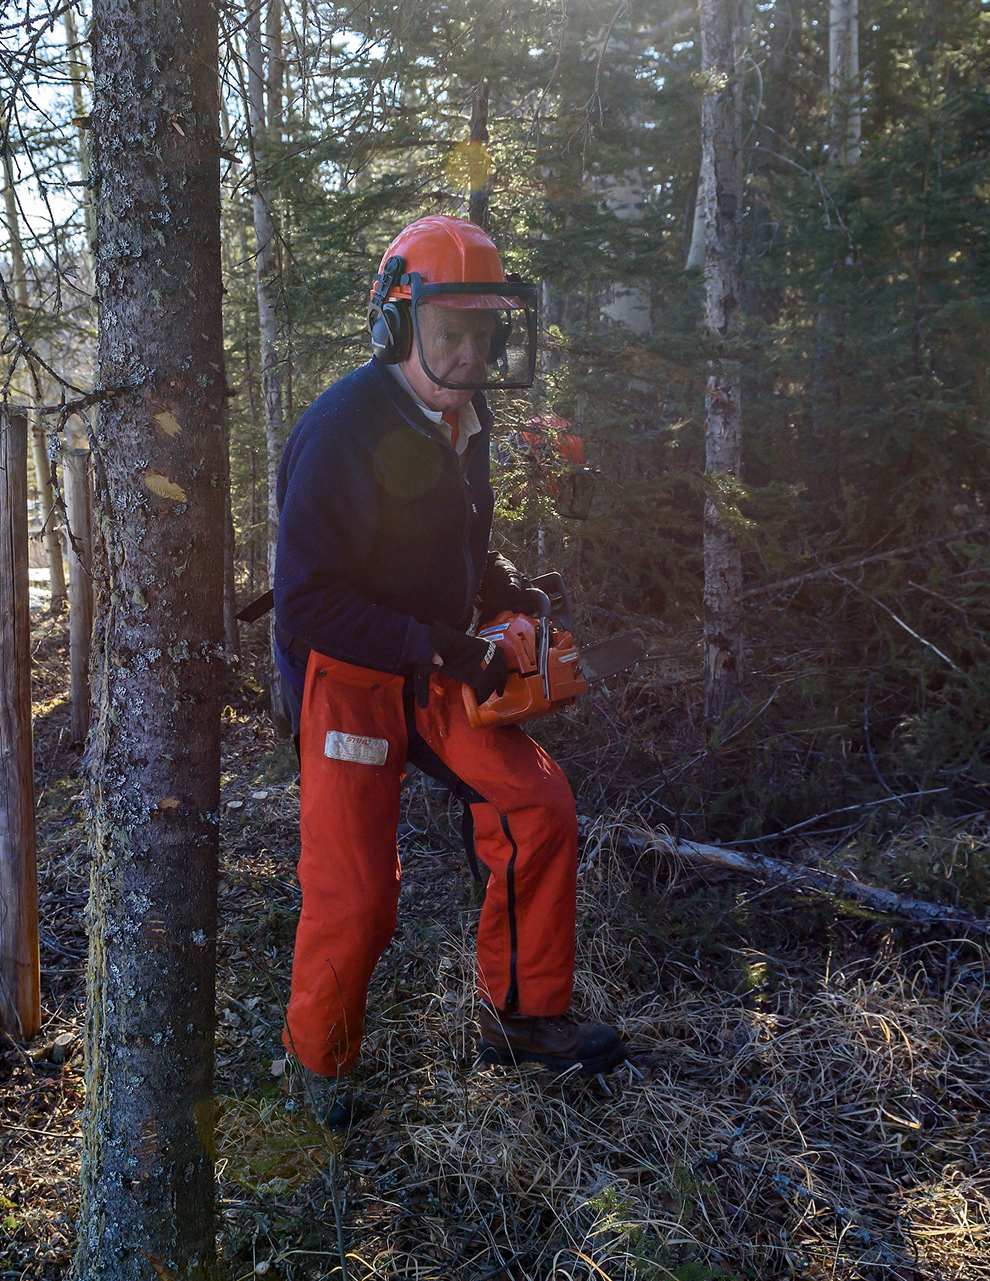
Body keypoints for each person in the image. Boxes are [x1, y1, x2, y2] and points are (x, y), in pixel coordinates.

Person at [271, 215, 623, 1118]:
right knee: (358, 890)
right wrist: (438, 643)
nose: (467, 355)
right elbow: (309, 603)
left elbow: (457, 545)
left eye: (482, 333)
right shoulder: (341, 429)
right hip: (348, 671)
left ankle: (521, 1018)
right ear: (398, 325)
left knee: (536, 807)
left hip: (436, 660)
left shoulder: (467, 419)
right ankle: (318, 1064)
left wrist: (504, 590)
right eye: (447, 334)